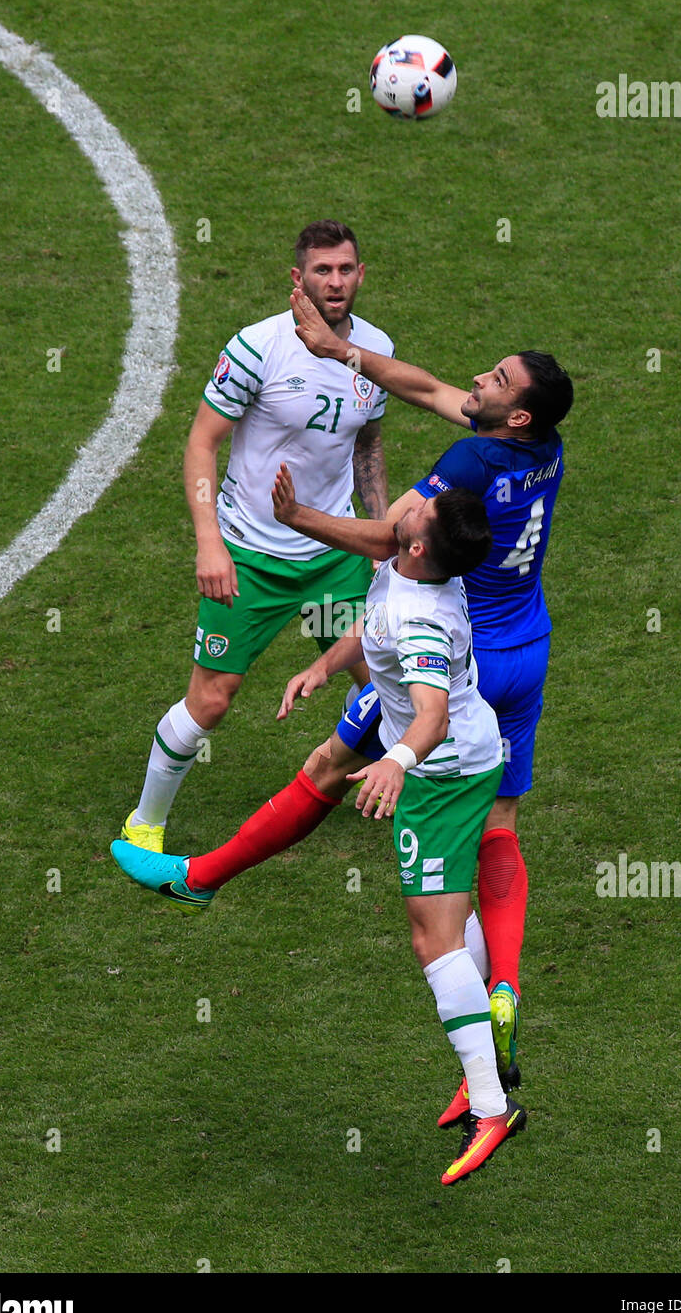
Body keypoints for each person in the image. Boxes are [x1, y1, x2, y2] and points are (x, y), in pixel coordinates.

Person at [123, 296, 573, 1120]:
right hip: (524, 651)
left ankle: (202, 877)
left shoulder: (467, 471)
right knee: (498, 831)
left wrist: (299, 517)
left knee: (337, 767)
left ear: (514, 413)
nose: (477, 377)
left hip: (450, 659)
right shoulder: (544, 447)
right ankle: (501, 985)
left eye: (496, 377)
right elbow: (433, 388)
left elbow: (391, 539)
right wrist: (342, 351)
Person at [112, 488, 527, 1185]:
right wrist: (322, 664)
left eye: (415, 515)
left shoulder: (425, 618)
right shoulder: (413, 563)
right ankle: (490, 1026)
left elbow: (428, 717)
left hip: (442, 776)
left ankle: (491, 1104)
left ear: (419, 546)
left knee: (435, 941)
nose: (405, 509)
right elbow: (373, 618)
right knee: (442, 923)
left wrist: (395, 765)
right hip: (468, 760)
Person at [119, 222, 392, 851]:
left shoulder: (374, 351)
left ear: (360, 275)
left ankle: (409, 791)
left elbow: (368, 446)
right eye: (322, 271)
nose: (335, 281)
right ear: (298, 279)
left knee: (383, 676)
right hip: (250, 556)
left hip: (334, 554)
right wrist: (210, 543)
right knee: (212, 700)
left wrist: (379, 542)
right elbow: (201, 442)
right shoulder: (256, 348)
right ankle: (146, 821)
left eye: (346, 269)